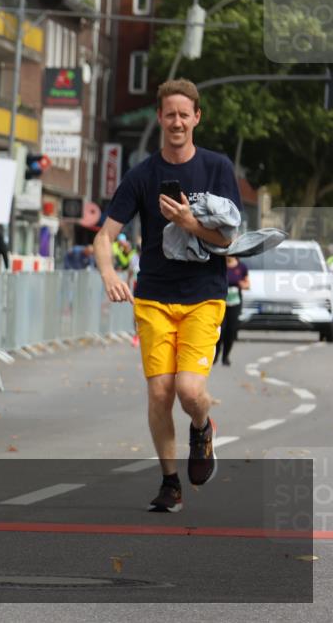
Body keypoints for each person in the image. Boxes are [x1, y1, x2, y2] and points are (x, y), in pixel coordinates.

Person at [95, 79, 241, 513]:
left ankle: (202, 426)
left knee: (190, 391)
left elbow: (229, 240)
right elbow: (105, 236)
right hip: (154, 297)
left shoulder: (217, 169)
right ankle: (169, 482)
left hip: (204, 295)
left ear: (197, 117)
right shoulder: (143, 174)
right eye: (169, 114)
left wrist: (190, 223)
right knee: (160, 393)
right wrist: (108, 273)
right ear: (159, 118)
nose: (177, 121)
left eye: (184, 114)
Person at [215, 256, 249, 366]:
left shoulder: (242, 267)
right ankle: (215, 356)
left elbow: (247, 284)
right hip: (221, 302)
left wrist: (241, 284)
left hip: (235, 302)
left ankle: (226, 356)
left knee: (231, 330)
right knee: (221, 330)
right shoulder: (219, 264)